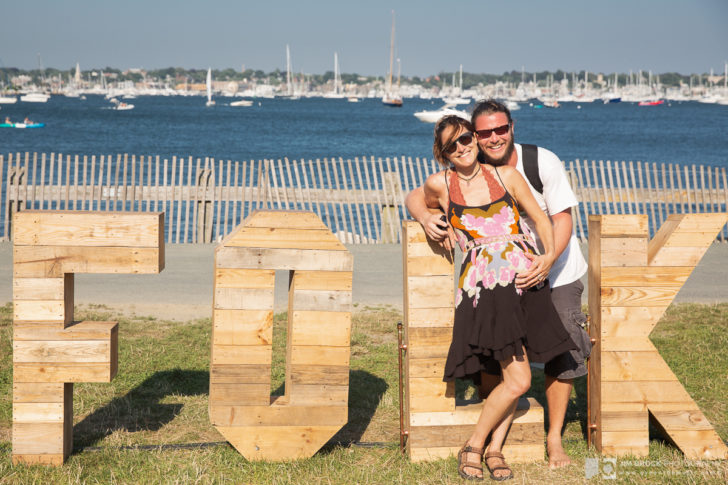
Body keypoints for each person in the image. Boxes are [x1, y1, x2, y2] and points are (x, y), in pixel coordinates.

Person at [407, 99, 591, 470]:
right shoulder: (440, 184)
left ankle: (487, 448)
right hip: (485, 289)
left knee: (524, 372)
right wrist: (426, 217)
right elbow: (414, 198)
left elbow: (543, 220)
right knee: (513, 376)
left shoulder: (506, 176)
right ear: (442, 154)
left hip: (526, 282)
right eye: (451, 145)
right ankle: (480, 447)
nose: (461, 147)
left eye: (464, 139)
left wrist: (546, 257)